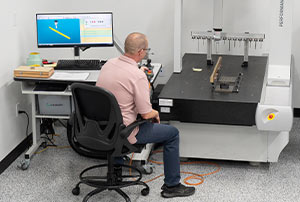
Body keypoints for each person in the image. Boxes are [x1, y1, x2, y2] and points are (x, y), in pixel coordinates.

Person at [96, 32, 195, 198]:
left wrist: (138, 72)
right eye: (146, 50)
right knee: (172, 134)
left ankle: (117, 167)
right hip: (125, 132)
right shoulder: (137, 75)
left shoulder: (109, 64)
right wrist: (155, 111)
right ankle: (172, 185)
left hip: (102, 129)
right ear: (141, 52)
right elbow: (146, 113)